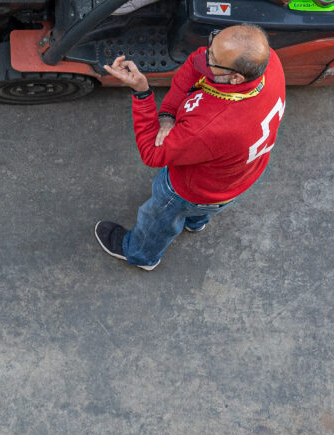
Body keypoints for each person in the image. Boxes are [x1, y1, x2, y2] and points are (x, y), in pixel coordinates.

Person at [93, 25, 286, 270]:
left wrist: (142, 94)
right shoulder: (268, 63)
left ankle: (141, 254)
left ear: (236, 77)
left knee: (158, 217)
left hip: (190, 189)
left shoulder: (210, 126)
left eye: (213, 59)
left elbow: (153, 154)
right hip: (238, 177)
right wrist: (167, 115)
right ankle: (195, 222)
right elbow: (197, 62)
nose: (205, 56)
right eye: (212, 45)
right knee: (203, 208)